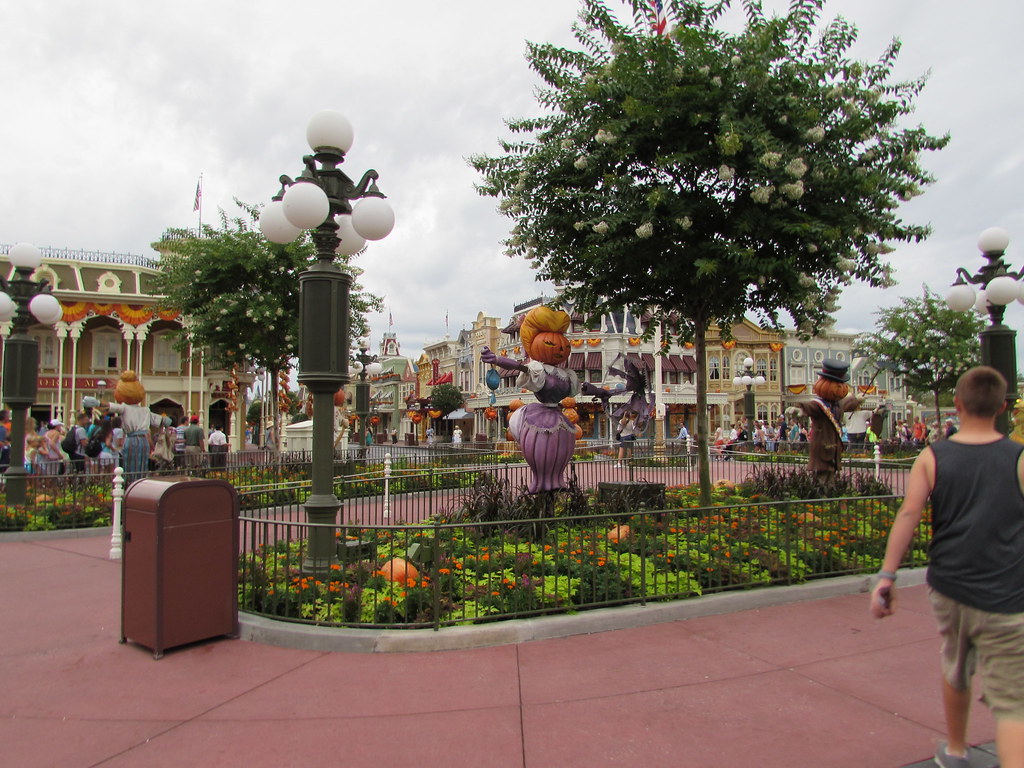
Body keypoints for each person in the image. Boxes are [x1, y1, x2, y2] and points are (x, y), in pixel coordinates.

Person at [871, 366, 1024, 768]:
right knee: (1012, 701)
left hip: (950, 584)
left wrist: (887, 576)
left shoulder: (932, 456)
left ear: (957, 405)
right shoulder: (1019, 458)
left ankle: (956, 750)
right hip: (1007, 591)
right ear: (1002, 407)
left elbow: (909, 514)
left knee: (956, 665)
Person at [104, 371, 169, 486]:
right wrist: (166, 421)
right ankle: (140, 484)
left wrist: (97, 403)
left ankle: (130, 485)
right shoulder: (145, 410)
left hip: (132, 440)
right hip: (143, 441)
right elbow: (159, 420)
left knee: (130, 464)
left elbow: (111, 407)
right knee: (141, 465)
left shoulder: (124, 408)